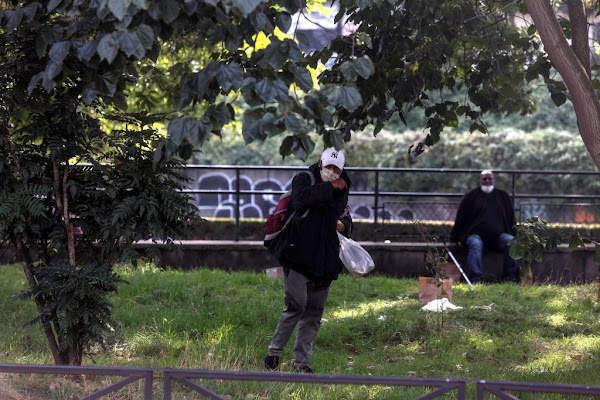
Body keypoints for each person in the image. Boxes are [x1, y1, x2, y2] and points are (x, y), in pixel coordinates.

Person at [263, 147, 353, 373]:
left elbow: (344, 216)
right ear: (321, 164)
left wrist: (345, 226)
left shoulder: (344, 186)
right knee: (296, 306)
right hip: (297, 256)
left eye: (336, 169)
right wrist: (329, 187)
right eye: (329, 167)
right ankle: (273, 354)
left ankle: (302, 363)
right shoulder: (305, 178)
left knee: (314, 313)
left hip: (325, 260)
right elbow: (300, 201)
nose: (332, 172)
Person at [449, 169, 518, 284]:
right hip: (475, 236)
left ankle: (510, 278)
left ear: (494, 181)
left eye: (489, 178)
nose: (487, 181)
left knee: (511, 242)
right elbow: (460, 218)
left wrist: (515, 235)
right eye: (484, 179)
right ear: (480, 181)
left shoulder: (503, 197)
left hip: (497, 237)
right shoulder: (470, 197)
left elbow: (511, 218)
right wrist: (454, 239)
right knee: (475, 245)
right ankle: (475, 279)